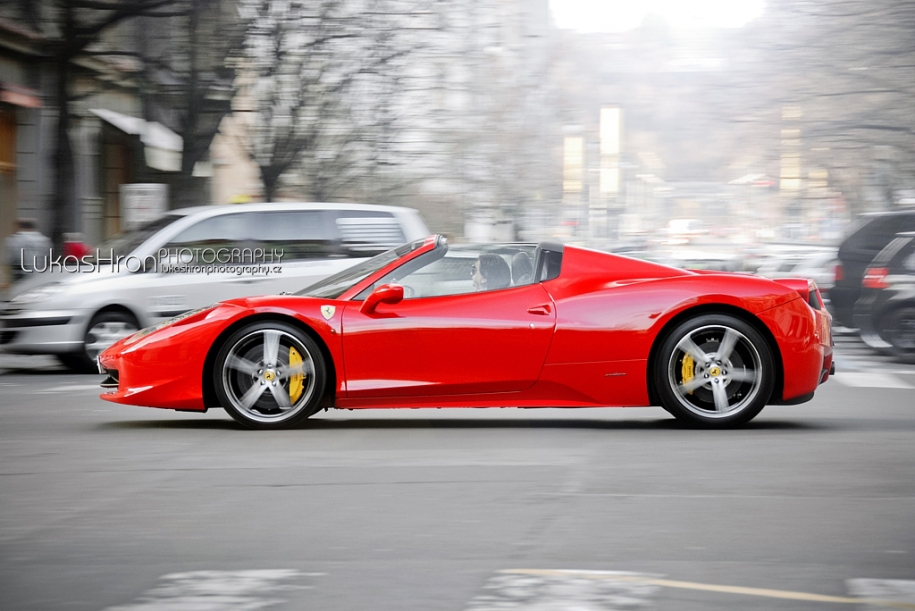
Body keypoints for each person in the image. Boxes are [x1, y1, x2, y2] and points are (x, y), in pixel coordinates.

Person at [5, 218, 51, 283]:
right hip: (40, 276)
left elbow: (11, 259)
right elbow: (48, 257)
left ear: (20, 227)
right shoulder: (45, 240)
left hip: (22, 277)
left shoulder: (15, 240)